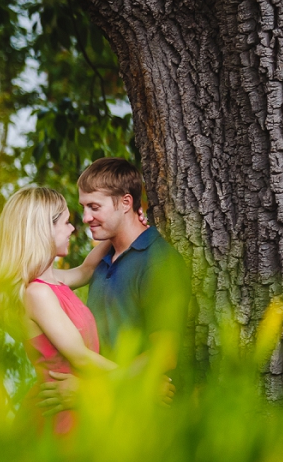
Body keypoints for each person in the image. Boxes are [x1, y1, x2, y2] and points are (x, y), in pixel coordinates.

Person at [38, 158, 189, 415]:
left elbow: (164, 355)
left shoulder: (159, 262)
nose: (85, 218)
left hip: (143, 419)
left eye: (94, 207)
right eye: (84, 207)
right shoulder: (102, 258)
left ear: (126, 203)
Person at [0, 186, 115, 435]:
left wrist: (122, 229)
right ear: (43, 229)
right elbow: (80, 357)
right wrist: (140, 379)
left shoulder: (52, 282)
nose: (72, 229)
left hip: (79, 402)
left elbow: (86, 270)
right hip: (61, 414)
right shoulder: (37, 294)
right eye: (66, 222)